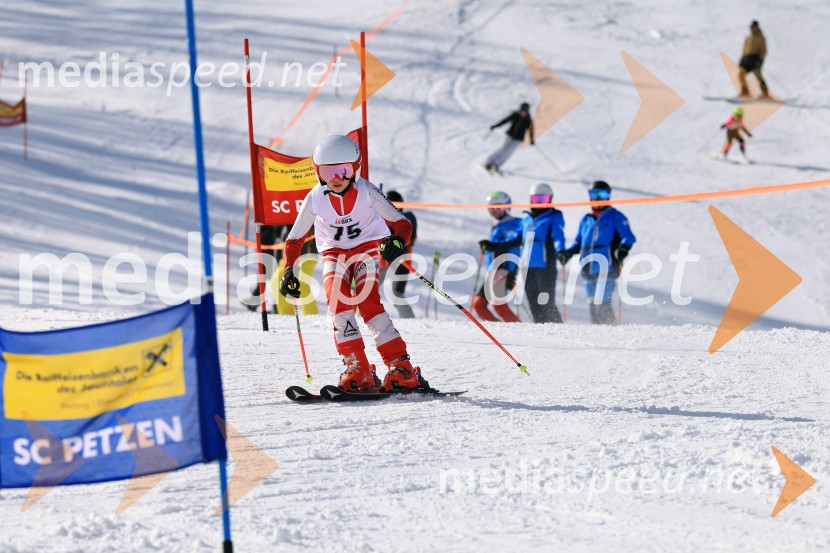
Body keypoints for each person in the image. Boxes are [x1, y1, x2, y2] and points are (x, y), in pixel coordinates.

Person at [279, 135, 427, 392]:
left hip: (365, 251)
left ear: (355, 168)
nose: (336, 178)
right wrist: (288, 272)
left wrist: (398, 242)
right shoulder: (315, 197)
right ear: (318, 172)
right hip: (334, 255)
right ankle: (357, 366)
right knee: (339, 304)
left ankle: (400, 366)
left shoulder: (367, 192)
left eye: (344, 170)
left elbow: (402, 223)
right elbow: (294, 240)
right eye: (328, 171)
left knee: (368, 303)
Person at [558, 181, 635, 325]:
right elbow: (579, 243)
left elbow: (629, 236)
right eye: (595, 194)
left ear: (608, 196)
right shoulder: (586, 219)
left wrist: (623, 249)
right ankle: (599, 339)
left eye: (603, 194)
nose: (599, 198)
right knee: (593, 306)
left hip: (607, 266)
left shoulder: (615, 216)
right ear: (590, 197)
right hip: (588, 269)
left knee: (602, 304)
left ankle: (612, 335)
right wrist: (567, 253)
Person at [518, 183, 566, 323]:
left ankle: (558, 330)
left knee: (546, 302)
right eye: (536, 199)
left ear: (550, 199)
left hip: (545, 266)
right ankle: (542, 332)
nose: (539, 203)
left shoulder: (553, 216)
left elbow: (558, 235)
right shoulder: (526, 220)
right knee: (534, 303)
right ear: (530, 199)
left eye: (543, 199)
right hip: (527, 267)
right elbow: (515, 238)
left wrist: (561, 250)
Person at [475, 191, 522, 323]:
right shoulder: (497, 224)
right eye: (491, 208)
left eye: (498, 207)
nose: (494, 211)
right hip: (493, 271)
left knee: (498, 305)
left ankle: (519, 330)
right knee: (478, 305)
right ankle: (498, 331)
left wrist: (512, 271)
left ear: (507, 206)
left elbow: (512, 246)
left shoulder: (515, 223)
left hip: (504, 269)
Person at [378, 190, 417, 319]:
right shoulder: (380, 218)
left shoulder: (408, 217)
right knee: (367, 291)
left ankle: (411, 322)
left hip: (402, 261)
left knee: (397, 295)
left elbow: (410, 237)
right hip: (383, 262)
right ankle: (364, 317)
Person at [484, 102, 535, 174]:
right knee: (503, 149)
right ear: (520, 110)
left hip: (518, 139)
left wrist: (531, 140)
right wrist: (495, 126)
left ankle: (497, 164)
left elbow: (531, 130)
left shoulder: (528, 120)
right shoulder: (515, 115)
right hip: (510, 136)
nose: (523, 113)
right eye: (522, 111)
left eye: (525, 112)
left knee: (508, 153)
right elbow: (504, 121)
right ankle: (488, 162)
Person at [738, 20, 769, 98]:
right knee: (741, 74)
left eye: (754, 27)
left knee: (758, 75)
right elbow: (745, 49)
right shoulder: (748, 38)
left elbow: (764, 50)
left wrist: (760, 61)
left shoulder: (761, 37)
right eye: (752, 27)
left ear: (757, 27)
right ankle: (745, 92)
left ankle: (765, 92)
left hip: (755, 59)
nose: (753, 29)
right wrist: (742, 59)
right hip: (747, 59)